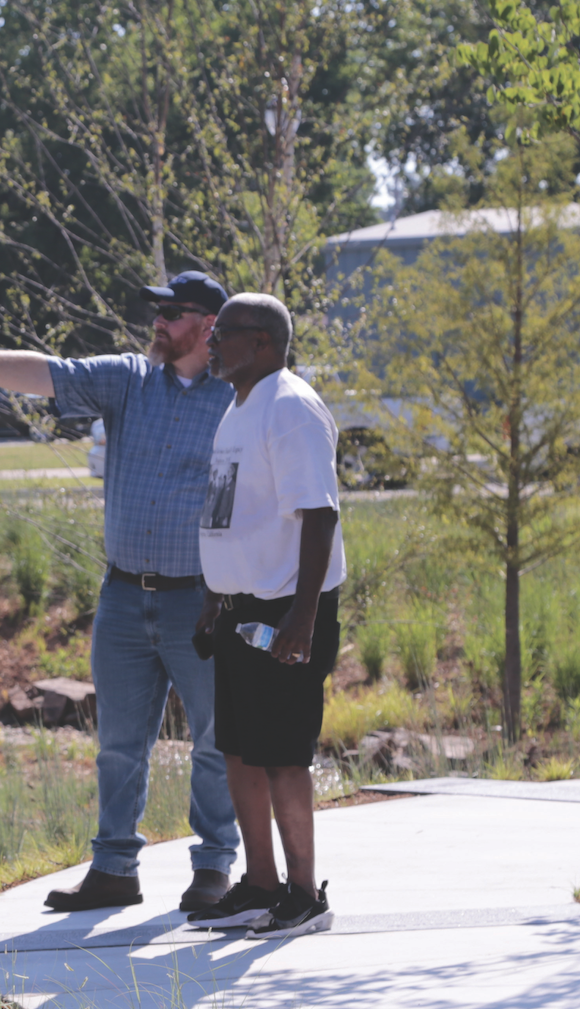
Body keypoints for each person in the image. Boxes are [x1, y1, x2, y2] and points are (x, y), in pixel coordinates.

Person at [0, 271, 240, 912]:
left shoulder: (235, 400)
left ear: (207, 327)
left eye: (172, 313)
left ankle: (214, 870)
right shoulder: (129, 379)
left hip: (197, 600)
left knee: (214, 741)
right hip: (121, 600)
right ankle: (114, 869)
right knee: (118, 743)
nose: (158, 323)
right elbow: (47, 373)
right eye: (157, 313)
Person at [185, 293, 342, 935]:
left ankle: (304, 896)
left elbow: (320, 513)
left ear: (264, 343)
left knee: (282, 755)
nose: (211, 342)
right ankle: (259, 885)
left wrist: (302, 619)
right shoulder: (236, 409)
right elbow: (228, 516)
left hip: (286, 608)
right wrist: (213, 598)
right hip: (240, 607)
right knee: (241, 752)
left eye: (223, 333)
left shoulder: (290, 405)